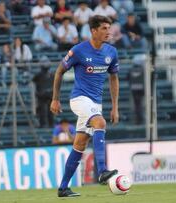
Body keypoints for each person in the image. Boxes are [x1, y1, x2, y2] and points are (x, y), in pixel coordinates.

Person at [50, 15, 119, 197]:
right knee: (100, 123)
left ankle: (63, 188)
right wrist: (55, 99)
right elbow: (59, 71)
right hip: (79, 99)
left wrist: (115, 106)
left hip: (96, 103)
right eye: (104, 28)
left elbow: (114, 78)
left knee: (80, 143)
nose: (108, 32)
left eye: (108, 28)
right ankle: (103, 171)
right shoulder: (79, 51)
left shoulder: (111, 52)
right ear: (93, 31)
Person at [33, 56, 54, 127]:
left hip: (50, 95)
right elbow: (33, 80)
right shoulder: (38, 75)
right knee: (41, 110)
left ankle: (51, 124)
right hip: (41, 95)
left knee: (50, 110)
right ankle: (42, 124)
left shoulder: (52, 74)